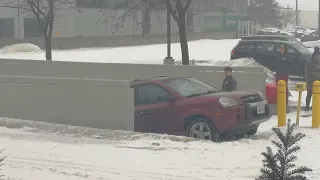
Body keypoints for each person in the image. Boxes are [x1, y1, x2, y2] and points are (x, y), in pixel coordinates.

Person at [305, 46, 320, 111]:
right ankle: (307, 107)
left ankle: (315, 106)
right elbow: (307, 72)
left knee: (316, 95)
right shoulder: (309, 61)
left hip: (317, 80)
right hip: (311, 80)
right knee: (309, 94)